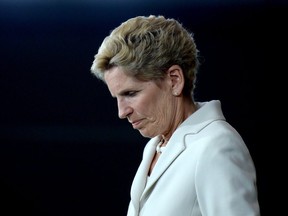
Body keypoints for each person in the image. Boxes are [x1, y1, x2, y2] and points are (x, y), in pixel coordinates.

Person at [90, 15, 260, 216]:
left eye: (131, 93)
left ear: (174, 80)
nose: (122, 112)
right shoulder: (155, 146)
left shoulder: (216, 146)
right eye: (117, 97)